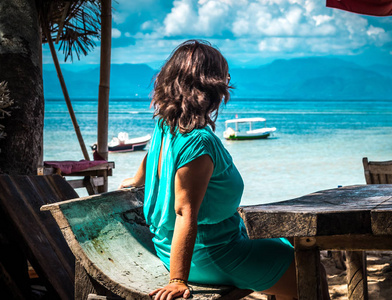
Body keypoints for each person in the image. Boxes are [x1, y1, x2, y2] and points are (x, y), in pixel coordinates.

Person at [120, 40, 329, 300]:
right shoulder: (197, 141)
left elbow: (153, 156)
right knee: (311, 273)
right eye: (225, 78)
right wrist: (177, 280)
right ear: (211, 85)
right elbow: (185, 212)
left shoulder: (166, 126)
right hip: (212, 251)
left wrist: (137, 179)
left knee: (287, 246)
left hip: (200, 243)